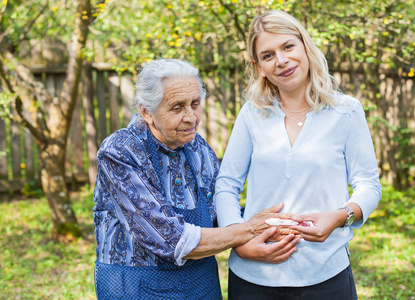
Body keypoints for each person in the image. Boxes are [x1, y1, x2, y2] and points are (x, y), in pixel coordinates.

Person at [92, 58, 300, 300]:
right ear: (146, 112)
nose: (191, 117)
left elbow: (219, 212)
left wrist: (276, 224)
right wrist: (248, 230)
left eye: (195, 104)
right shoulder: (120, 152)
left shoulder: (197, 147)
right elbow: (169, 239)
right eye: (177, 107)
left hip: (200, 282)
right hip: (137, 286)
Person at [213, 10, 382, 300]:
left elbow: (369, 184)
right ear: (259, 67)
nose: (281, 60)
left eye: (288, 46)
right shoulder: (252, 114)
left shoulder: (346, 111)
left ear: (305, 45)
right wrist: (238, 239)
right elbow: (226, 185)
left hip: (326, 274)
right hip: (254, 276)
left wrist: (341, 216)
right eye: (268, 55)